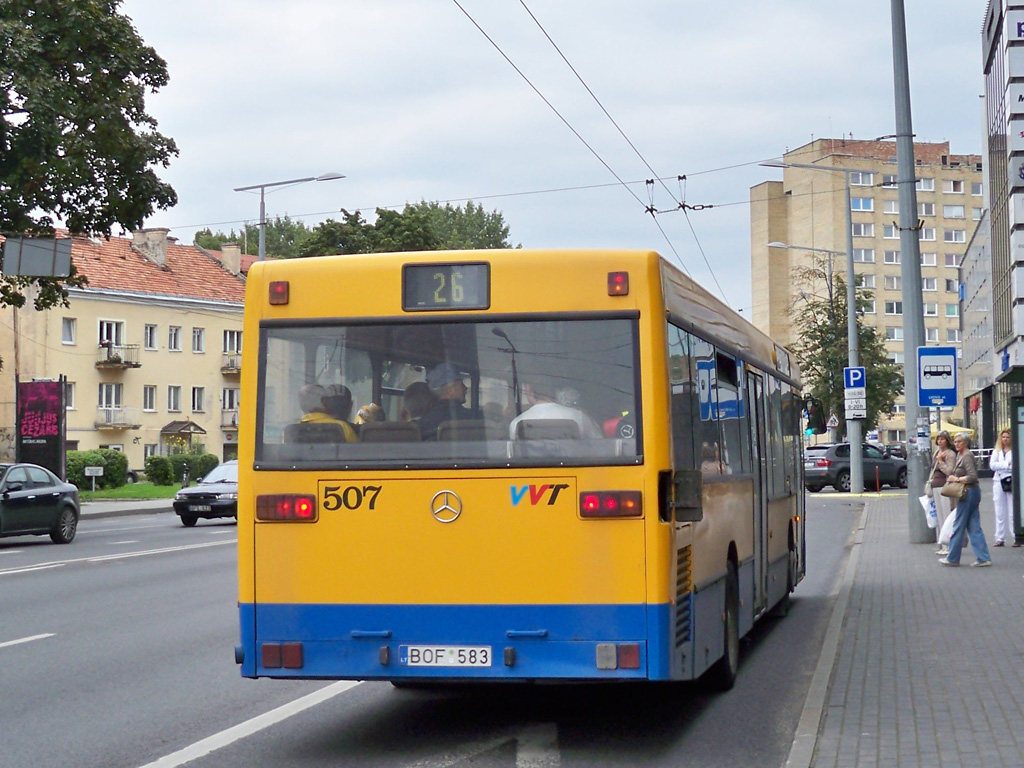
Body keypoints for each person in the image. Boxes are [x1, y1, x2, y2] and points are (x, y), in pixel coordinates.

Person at [939, 432, 992, 567]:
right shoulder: (960, 455)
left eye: (960, 442)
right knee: (973, 526)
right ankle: (983, 557)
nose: (956, 444)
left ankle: (953, 558)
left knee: (958, 524)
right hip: (972, 492)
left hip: (968, 492)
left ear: (966, 443)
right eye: (955, 442)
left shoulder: (967, 455)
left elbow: (973, 476)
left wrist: (956, 479)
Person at [508, 383, 602, 439]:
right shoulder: (578, 417)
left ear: (529, 391)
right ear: (554, 391)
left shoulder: (516, 423)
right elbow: (599, 446)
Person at [418, 363, 476, 440]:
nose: (465, 387)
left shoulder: (423, 422)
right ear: (449, 391)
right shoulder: (471, 418)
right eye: (461, 384)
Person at [929, 430, 957, 555]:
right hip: (935, 486)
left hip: (945, 487)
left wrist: (941, 462)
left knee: (946, 515)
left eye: (942, 439)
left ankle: (948, 545)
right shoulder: (936, 452)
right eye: (938, 439)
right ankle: (941, 544)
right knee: (938, 515)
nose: (940, 441)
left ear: (947, 440)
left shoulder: (950, 454)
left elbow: (950, 471)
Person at [990, 428, 1014, 547]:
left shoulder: (1015, 450)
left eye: (1007, 437)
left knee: (1012, 510)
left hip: (1011, 480)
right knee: (999, 510)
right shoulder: (997, 451)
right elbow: (992, 465)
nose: (1005, 439)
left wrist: (1005, 466)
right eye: (1003, 437)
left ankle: (1016, 536)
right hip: (998, 480)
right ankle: (1000, 537)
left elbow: (1015, 465)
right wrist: (1006, 465)